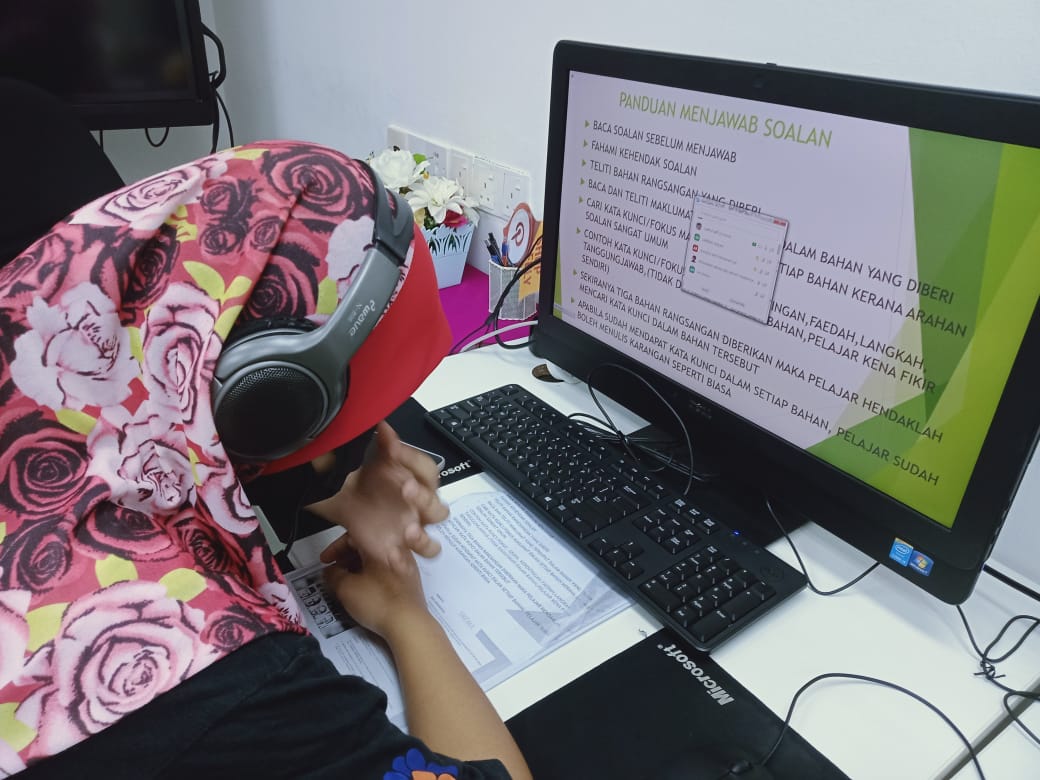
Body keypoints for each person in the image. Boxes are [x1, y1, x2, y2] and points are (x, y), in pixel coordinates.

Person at [0, 139, 532, 779]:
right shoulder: (182, 675)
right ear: (266, 404)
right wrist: (405, 615)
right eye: (357, 426)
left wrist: (332, 480)